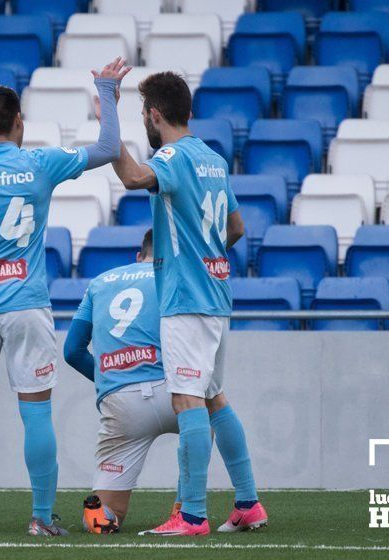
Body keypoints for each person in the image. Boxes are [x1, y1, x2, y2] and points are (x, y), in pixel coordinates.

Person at [0, 57, 131, 538]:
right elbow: (110, 147)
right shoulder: (40, 162)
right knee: (35, 410)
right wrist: (106, 91)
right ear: (19, 124)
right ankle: (40, 516)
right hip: (26, 305)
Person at [110, 71, 267, 536]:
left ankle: (192, 514)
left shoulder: (172, 157)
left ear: (154, 115)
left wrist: (108, 121)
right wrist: (208, 256)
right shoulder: (213, 159)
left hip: (187, 300)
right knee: (215, 398)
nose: (143, 120)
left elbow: (134, 176)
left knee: (186, 400)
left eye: (141, 113)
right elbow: (236, 228)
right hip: (217, 296)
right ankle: (248, 504)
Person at [64, 229, 182, 534]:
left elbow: (72, 351)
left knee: (110, 510)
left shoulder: (99, 282)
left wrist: (111, 378)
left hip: (122, 404)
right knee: (210, 416)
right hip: (174, 393)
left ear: (138, 255)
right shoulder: (176, 275)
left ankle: (100, 514)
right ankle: (187, 507)